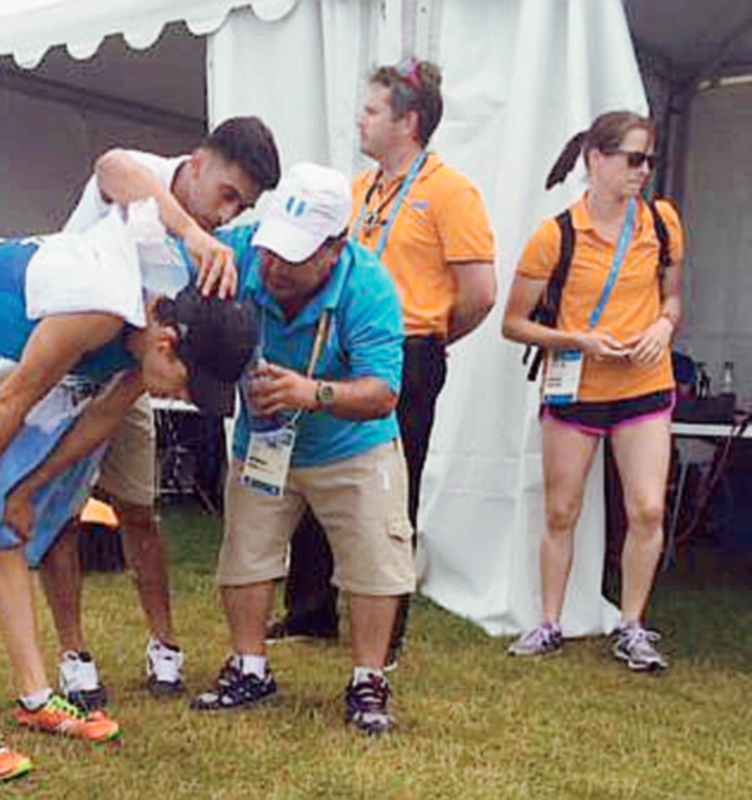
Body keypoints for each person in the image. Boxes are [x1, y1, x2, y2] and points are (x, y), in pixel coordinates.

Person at [0, 213, 257, 782]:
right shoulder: (100, 310)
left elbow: (98, 421)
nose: (181, 397)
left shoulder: (153, 333)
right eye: (185, 383)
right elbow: (16, 399)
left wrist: (23, 491)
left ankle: (35, 697)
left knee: (3, 528)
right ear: (167, 343)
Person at [43, 116, 281, 710]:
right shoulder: (146, 176)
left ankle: (164, 642)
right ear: (197, 163)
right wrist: (190, 233)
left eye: (242, 206)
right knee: (60, 516)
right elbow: (109, 166)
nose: (227, 215)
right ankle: (73, 653)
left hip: (128, 380)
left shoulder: (205, 250)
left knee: (139, 510)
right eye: (228, 195)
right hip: (63, 371)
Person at [269, 59, 497, 666]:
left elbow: (480, 293)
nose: (360, 121)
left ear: (408, 122)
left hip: (407, 351)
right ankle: (309, 610)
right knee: (317, 467)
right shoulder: (357, 189)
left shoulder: (450, 192)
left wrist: (431, 336)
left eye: (372, 111)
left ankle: (386, 631)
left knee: (392, 486)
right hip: (336, 346)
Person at [186, 163, 411, 735]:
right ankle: (249, 666)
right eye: (270, 250)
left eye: (293, 255)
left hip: (353, 445)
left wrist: (313, 393)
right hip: (264, 439)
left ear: (334, 249)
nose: (273, 267)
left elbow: (383, 392)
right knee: (246, 549)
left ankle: (368, 679)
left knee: (375, 559)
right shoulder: (239, 253)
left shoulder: (370, 289)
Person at [501, 111, 682, 671]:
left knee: (648, 508)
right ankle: (549, 622)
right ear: (596, 159)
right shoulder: (555, 234)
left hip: (645, 383)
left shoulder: (662, 222)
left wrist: (664, 325)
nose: (643, 171)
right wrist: (576, 340)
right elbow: (513, 323)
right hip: (576, 386)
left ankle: (632, 625)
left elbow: (673, 297)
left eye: (649, 160)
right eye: (633, 159)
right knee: (561, 509)